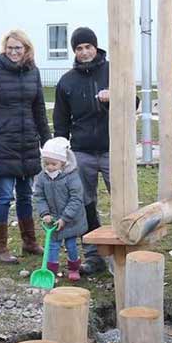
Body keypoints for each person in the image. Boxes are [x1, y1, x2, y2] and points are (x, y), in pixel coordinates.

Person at [0, 29, 51, 263]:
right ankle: (0, 248)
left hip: (28, 141)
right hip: (4, 142)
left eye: (18, 48)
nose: (14, 52)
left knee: (26, 195)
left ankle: (29, 242)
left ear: (26, 49)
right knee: (4, 195)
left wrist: (47, 141)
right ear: (4, 49)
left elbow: (39, 108)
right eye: (10, 48)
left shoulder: (33, 72)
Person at [52, 27, 111, 275]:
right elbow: (61, 122)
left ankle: (128, 248)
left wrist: (115, 97)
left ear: (96, 47)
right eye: (79, 48)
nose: (84, 52)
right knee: (85, 203)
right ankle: (94, 255)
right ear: (74, 51)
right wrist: (61, 153)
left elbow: (135, 103)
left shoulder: (113, 71)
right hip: (82, 152)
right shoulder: (67, 82)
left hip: (112, 149)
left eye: (88, 47)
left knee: (122, 199)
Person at [33, 137, 88, 281]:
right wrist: (44, 213)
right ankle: (51, 271)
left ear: (63, 163)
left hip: (70, 220)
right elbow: (39, 196)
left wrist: (65, 218)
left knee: (71, 245)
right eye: (46, 164)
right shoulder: (42, 178)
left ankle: (74, 268)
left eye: (53, 164)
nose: (50, 167)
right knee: (52, 247)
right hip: (52, 220)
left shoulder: (71, 177)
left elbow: (76, 199)